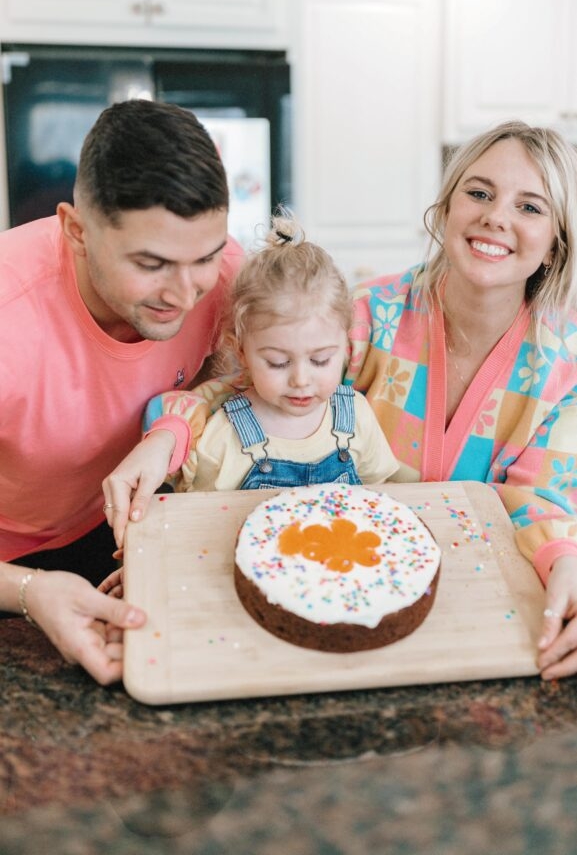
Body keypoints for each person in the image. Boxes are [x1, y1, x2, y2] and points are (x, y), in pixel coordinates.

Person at [104, 120, 577, 681]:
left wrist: (563, 560)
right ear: (447, 209)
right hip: (324, 584)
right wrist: (167, 437)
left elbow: (542, 496)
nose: (496, 216)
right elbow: (238, 392)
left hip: (475, 610)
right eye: (479, 193)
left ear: (556, 243)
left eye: (530, 206)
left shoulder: (564, 366)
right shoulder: (366, 314)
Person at [0, 98, 244, 682]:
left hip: (123, 531)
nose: (186, 294)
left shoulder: (225, 275)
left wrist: (172, 430)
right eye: (152, 263)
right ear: (76, 231)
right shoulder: (9, 316)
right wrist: (31, 592)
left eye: (204, 258)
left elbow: (238, 379)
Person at [105, 213, 397, 514]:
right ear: (241, 351)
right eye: (278, 362)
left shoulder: (357, 419)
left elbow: (379, 495)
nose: (300, 379)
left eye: (320, 360)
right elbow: (197, 520)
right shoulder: (223, 437)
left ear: (345, 346)